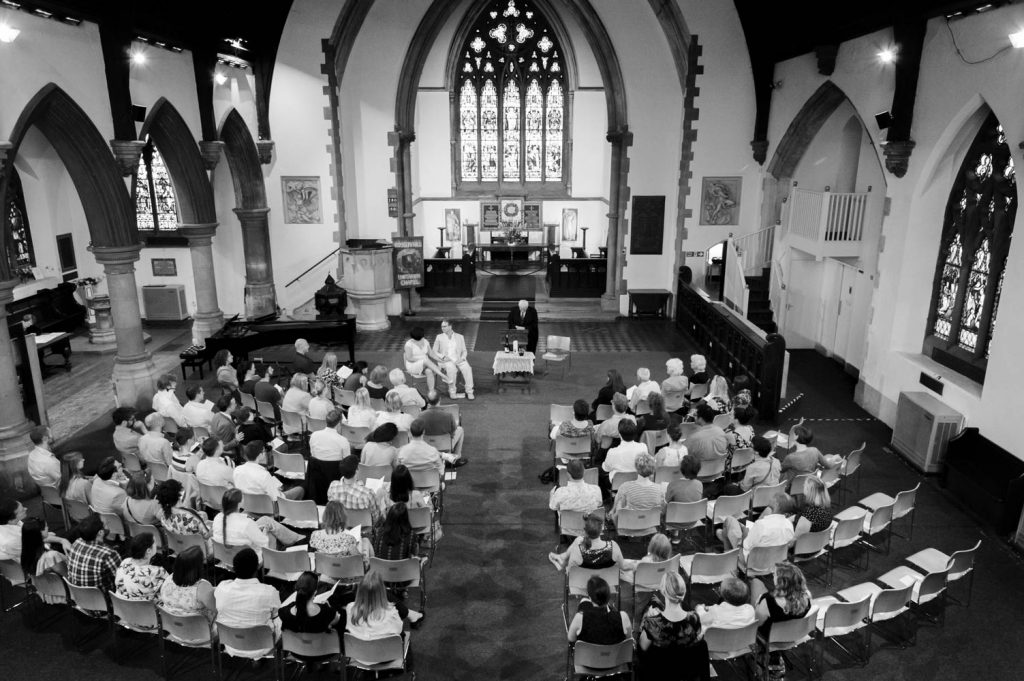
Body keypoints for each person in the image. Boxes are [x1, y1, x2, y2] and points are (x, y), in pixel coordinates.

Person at [638, 571, 709, 681]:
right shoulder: (694, 618)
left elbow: (642, 648)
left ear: (663, 591)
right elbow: (698, 644)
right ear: (684, 593)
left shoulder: (653, 623)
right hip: (686, 672)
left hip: (660, 673)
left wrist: (647, 618)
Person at [215, 548, 282, 657]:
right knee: (284, 614)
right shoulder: (269, 592)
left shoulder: (222, 588)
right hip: (263, 647)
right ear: (257, 568)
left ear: (233, 569)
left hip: (231, 644)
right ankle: (257, 658)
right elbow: (276, 615)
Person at [752, 562, 813, 680]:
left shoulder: (768, 601)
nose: (772, 576)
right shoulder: (806, 597)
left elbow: (757, 624)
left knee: (756, 584)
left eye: (774, 575)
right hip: (796, 634)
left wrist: (758, 604)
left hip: (769, 638)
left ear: (781, 582)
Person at [212, 489, 304, 557]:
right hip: (249, 558)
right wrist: (263, 531)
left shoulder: (217, 518)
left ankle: (295, 538)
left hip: (226, 556)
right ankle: (296, 539)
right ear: (239, 504)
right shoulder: (246, 524)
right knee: (268, 527)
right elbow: (264, 542)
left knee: (265, 520)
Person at [720, 493, 796, 570]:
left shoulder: (762, 524)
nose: (771, 498)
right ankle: (726, 547)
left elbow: (745, 545)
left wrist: (745, 532)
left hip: (753, 563)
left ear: (776, 504)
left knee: (729, 520)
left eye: (774, 497)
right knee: (728, 530)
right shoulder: (789, 525)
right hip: (774, 561)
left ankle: (728, 557)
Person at [567, 576, 632, 644]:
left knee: (583, 602)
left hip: (588, 654)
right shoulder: (623, 617)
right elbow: (628, 640)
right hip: (617, 654)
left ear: (590, 598)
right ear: (608, 595)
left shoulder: (580, 618)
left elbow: (571, 639)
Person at [548, 513, 623, 572]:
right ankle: (562, 557)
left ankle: (562, 558)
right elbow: (622, 566)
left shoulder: (577, 550)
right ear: (601, 530)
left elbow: (570, 572)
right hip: (606, 585)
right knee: (579, 539)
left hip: (581, 586)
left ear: (585, 531)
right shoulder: (613, 546)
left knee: (578, 540)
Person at [344, 571, 404, 642]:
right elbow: (399, 630)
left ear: (359, 591)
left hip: (358, 651)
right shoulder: (391, 613)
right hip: (385, 651)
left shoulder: (350, 608)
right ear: (382, 592)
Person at [66, 513, 121, 591]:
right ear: (100, 533)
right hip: (104, 599)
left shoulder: (77, 543)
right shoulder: (109, 554)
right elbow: (122, 580)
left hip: (78, 596)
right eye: (106, 524)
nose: (108, 525)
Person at [307, 409, 352, 504]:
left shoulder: (314, 435)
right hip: (335, 475)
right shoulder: (343, 441)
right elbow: (347, 464)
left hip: (316, 478)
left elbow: (313, 454)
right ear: (339, 424)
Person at [235, 441, 304, 500]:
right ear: (260, 455)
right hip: (268, 508)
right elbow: (277, 498)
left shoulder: (237, 470)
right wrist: (277, 491)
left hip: (247, 505)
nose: (265, 453)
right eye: (264, 451)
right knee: (300, 489)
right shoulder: (263, 475)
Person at [155, 479, 212, 549]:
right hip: (197, 551)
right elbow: (206, 535)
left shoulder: (163, 515)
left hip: (179, 547)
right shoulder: (191, 516)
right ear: (179, 494)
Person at [327, 454, 383, 526]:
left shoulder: (333, 487)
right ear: (356, 471)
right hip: (364, 530)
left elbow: (332, 510)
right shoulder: (367, 493)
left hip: (340, 527)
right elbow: (376, 518)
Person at [158, 545, 211, 619]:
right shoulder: (203, 587)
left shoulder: (168, 579)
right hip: (197, 628)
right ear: (199, 566)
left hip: (169, 624)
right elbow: (216, 608)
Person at [279, 571, 339, 635]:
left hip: (294, 644)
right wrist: (329, 607)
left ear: (297, 589)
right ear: (315, 592)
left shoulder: (283, 612)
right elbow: (335, 620)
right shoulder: (326, 611)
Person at [610, 453, 665, 522]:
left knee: (619, 501)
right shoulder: (660, 489)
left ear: (636, 468)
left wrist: (613, 512)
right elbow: (662, 511)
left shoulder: (625, 486)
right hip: (650, 525)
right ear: (653, 470)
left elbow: (619, 510)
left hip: (629, 526)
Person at [115, 532, 167, 601]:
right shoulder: (158, 572)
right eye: (155, 543)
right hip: (147, 610)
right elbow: (169, 591)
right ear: (148, 550)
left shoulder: (125, 562)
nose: (157, 545)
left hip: (121, 608)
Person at [433, 319, 475, 400]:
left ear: (450, 326)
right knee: (451, 369)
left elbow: (464, 351)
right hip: (446, 360)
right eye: (442, 326)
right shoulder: (439, 337)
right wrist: (443, 357)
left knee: (467, 369)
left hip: (458, 358)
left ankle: (469, 391)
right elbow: (434, 351)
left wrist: (462, 358)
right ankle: (452, 391)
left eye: (444, 326)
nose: (442, 328)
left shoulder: (460, 337)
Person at [601, 419, 647, 487]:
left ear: (620, 435)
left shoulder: (612, 452)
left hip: (618, 484)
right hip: (637, 482)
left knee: (600, 474)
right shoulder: (643, 447)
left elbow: (606, 468)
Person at [404, 326, 445, 394]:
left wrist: (440, 360)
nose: (423, 337)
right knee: (425, 360)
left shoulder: (425, 341)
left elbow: (431, 353)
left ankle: (431, 391)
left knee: (429, 371)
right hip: (413, 365)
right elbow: (409, 358)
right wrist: (421, 359)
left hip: (425, 365)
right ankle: (441, 374)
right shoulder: (408, 344)